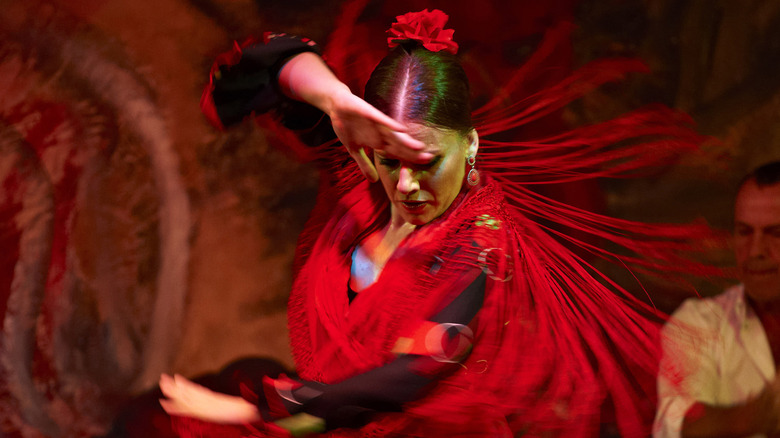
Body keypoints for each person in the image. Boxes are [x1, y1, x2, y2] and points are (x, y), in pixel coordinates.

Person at [156, 8, 715, 437]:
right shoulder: (359, 179)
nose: (404, 185)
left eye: (426, 163)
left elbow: (409, 374)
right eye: (389, 160)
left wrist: (254, 409)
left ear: (469, 145)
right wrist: (335, 102)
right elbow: (261, 66)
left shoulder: (481, 242)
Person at [654, 160, 780, 438]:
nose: (756, 250)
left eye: (776, 233)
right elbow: (672, 428)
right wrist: (755, 415)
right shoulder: (699, 323)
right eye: (744, 232)